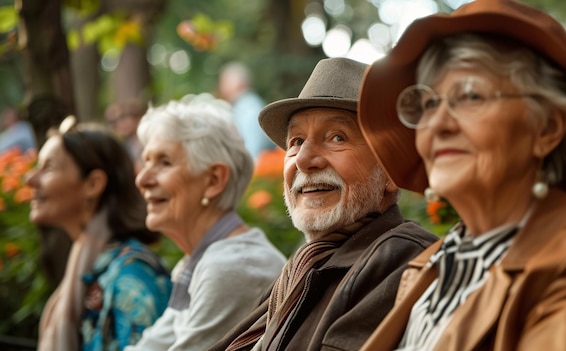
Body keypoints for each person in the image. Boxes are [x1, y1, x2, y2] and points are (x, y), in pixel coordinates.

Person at [357, 0, 566, 350]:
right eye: (428, 104)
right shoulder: (432, 263)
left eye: (470, 96)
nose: (437, 124)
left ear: (547, 129)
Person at [208, 57, 438, 351]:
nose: (304, 160)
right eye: (296, 141)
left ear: (391, 171)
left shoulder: (400, 257)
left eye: (336, 137)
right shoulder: (304, 266)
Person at [127, 93, 286, 351]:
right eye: (145, 162)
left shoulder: (229, 266)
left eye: (164, 162)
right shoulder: (198, 262)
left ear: (213, 181)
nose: (142, 179)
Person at [28, 116, 172, 351]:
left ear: (93, 184)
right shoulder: (88, 262)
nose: (30, 179)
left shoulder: (131, 275)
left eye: (48, 167)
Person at [218, 61, 275, 161]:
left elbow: (251, 152)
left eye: (224, 82)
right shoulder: (246, 106)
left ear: (238, 83)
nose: (221, 88)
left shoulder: (248, 108)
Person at [104, 98, 148, 172]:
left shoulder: (145, 141)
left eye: (123, 119)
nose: (119, 124)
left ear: (138, 118)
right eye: (113, 122)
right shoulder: (127, 143)